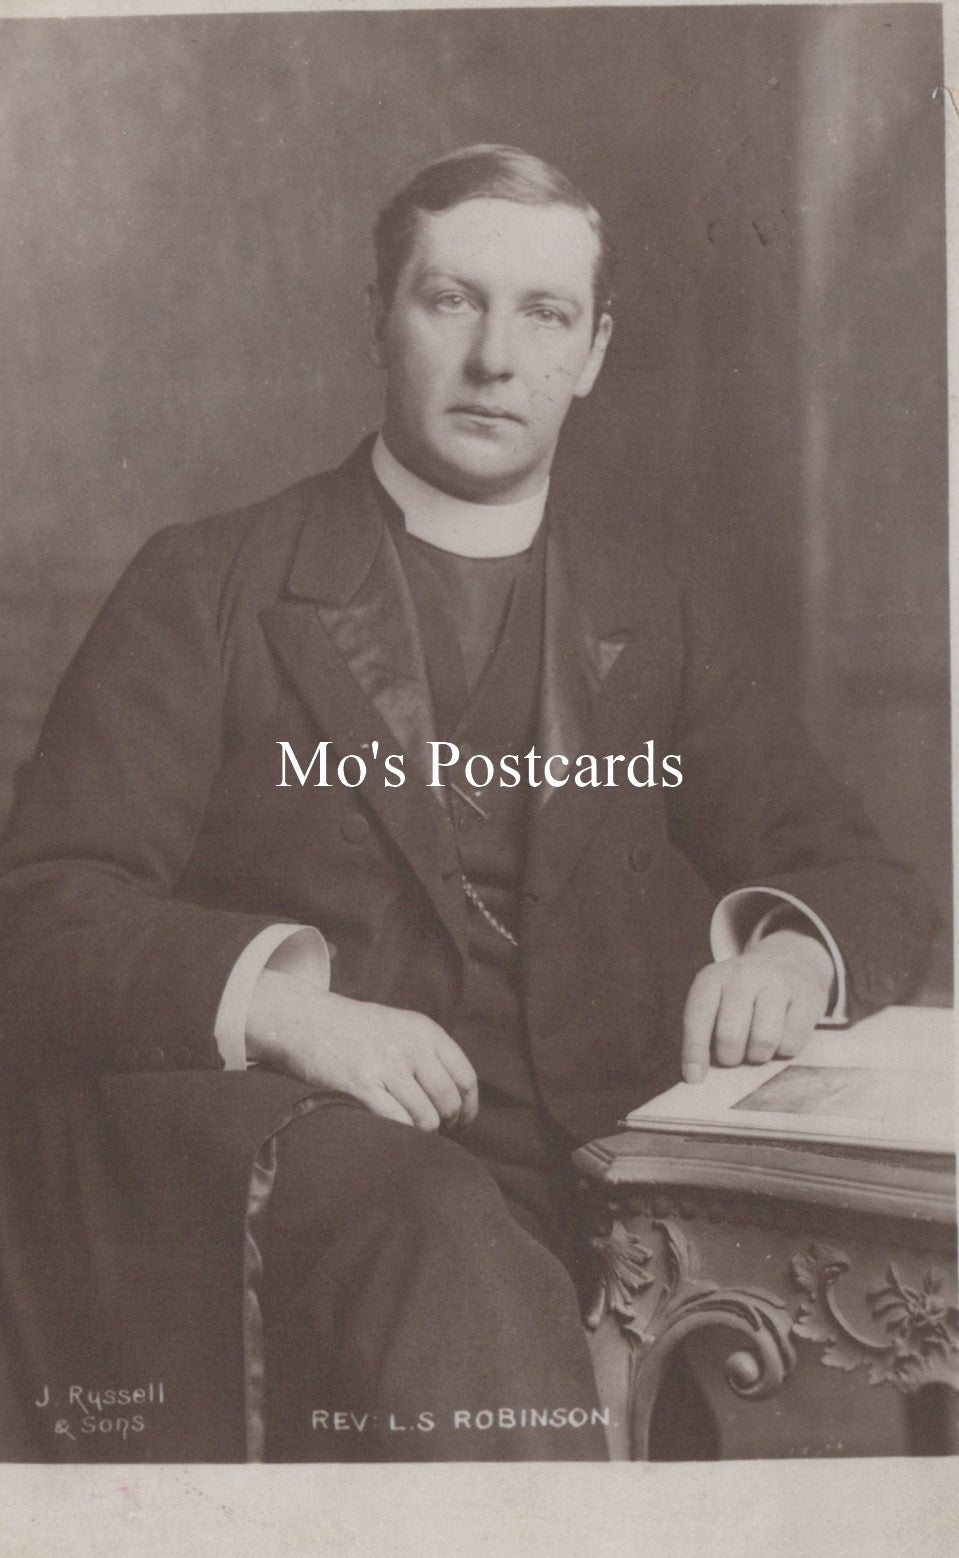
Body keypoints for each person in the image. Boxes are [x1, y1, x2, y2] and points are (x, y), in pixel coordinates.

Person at [0, 145, 935, 1462]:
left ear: (593, 351)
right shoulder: (206, 584)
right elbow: (40, 915)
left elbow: (860, 872)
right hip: (328, 1187)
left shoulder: (652, 608)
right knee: (438, 1239)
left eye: (544, 313)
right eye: (452, 300)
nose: (496, 357)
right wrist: (287, 1010)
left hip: (592, 1189)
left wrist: (792, 947)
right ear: (379, 313)